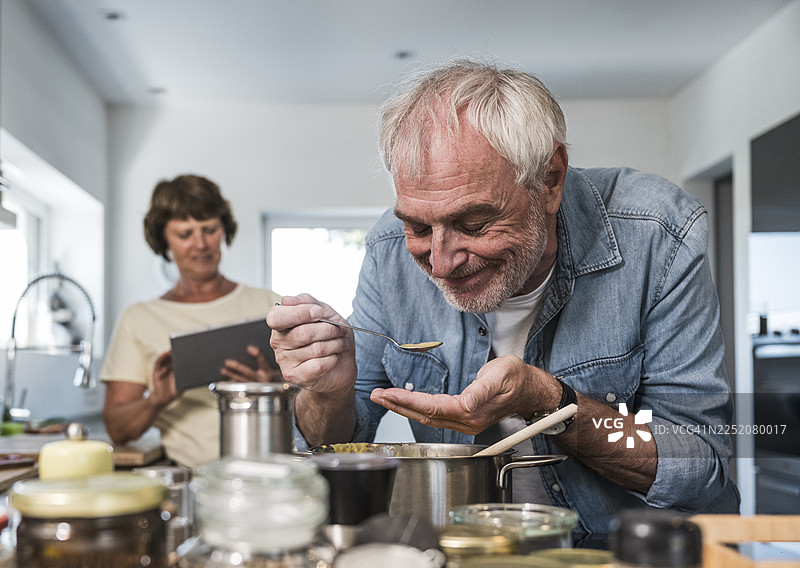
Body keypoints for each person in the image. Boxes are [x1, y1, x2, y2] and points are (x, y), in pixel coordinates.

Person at [267, 59, 739, 538]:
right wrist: (327, 392)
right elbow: (339, 443)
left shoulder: (659, 236)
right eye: (417, 226)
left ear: (550, 179)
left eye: (473, 224)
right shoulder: (388, 251)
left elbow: (699, 461)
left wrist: (550, 403)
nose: (443, 262)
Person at [101, 174, 281, 469]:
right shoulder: (139, 319)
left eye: (209, 229)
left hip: (270, 471)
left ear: (224, 230)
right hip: (192, 481)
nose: (200, 244)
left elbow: (312, 404)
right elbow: (118, 430)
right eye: (184, 234)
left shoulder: (267, 304)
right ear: (164, 241)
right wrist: (155, 400)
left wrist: (271, 386)